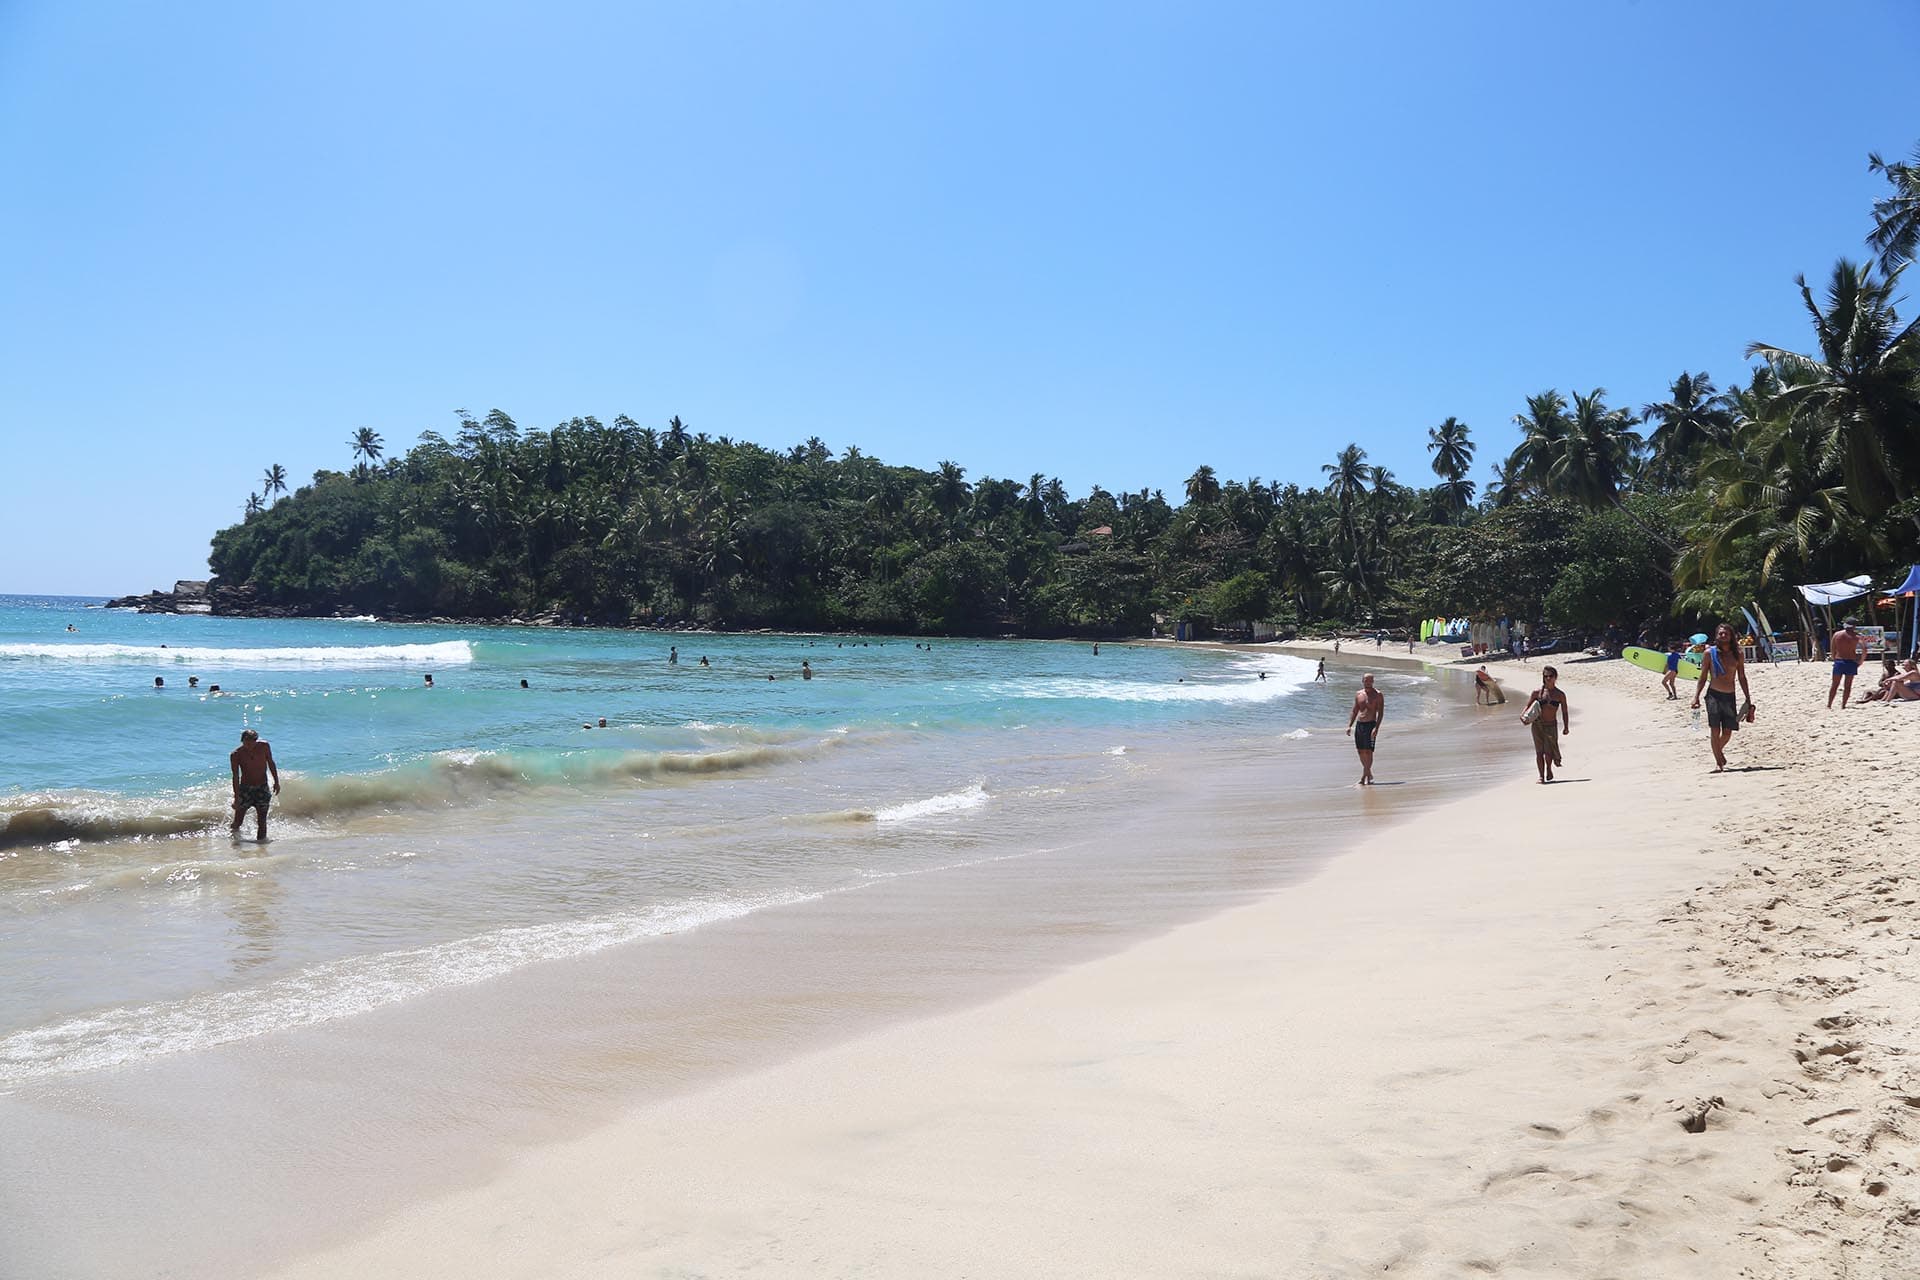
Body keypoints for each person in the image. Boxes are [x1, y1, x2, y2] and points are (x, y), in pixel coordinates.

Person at [1691, 622, 1753, 772]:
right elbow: (1703, 675)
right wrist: (1696, 696)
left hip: (1730, 696)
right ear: (1716, 636)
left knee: (1727, 731)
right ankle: (1719, 762)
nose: (1723, 636)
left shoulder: (1738, 654)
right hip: (1713, 695)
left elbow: (1742, 677)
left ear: (1731, 636)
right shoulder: (1709, 653)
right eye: (1720, 633)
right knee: (1714, 729)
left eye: (1726, 633)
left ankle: (1718, 752)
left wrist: (1747, 698)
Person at [229, 728, 280, 841]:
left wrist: (276, 781)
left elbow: (270, 762)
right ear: (242, 741)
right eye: (246, 743)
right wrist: (236, 797)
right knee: (238, 821)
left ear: (256, 741)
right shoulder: (236, 754)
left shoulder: (264, 746)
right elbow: (236, 777)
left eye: (252, 743)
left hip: (262, 787)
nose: (249, 746)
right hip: (245, 789)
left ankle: (261, 846)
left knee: (262, 820)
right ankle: (234, 842)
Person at [1521, 665, 1570, 783]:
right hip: (1537, 725)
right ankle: (1541, 776)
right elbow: (1528, 706)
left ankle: (1548, 768)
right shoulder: (1537, 693)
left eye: (1550, 676)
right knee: (1539, 752)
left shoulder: (1560, 695)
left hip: (1551, 725)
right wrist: (1522, 715)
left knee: (1548, 752)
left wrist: (1566, 727)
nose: (1548, 678)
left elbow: (1564, 711)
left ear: (1555, 677)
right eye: (1545, 676)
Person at [1344, 673, 1384, 785]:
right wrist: (1349, 726)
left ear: (1373, 681)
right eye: (1366, 680)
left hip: (1371, 725)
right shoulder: (1358, 694)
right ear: (1362, 680)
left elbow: (1380, 713)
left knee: (1369, 751)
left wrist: (1376, 728)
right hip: (1360, 725)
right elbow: (1355, 710)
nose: (1368, 682)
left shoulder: (1378, 695)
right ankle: (1368, 773)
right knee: (1360, 751)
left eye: (1370, 680)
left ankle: (1363, 777)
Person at [1828, 618, 1863, 708]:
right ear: (1854, 626)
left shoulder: (1837, 634)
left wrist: (1834, 658)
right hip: (1851, 661)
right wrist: (1861, 661)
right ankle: (1843, 705)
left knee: (1834, 684)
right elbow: (1864, 649)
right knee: (1847, 686)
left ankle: (1829, 704)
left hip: (1839, 661)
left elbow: (1832, 648)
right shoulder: (1856, 636)